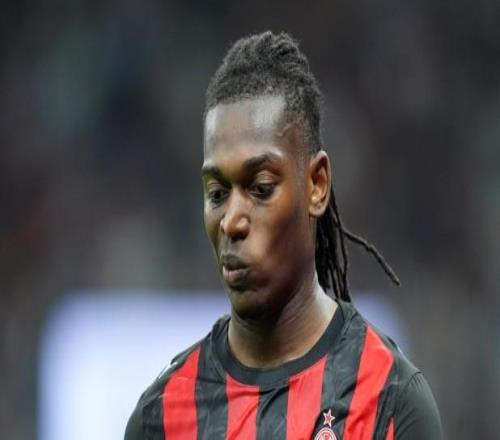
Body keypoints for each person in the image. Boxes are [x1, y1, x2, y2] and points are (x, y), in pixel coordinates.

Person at [125, 31, 442, 440]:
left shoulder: (391, 401)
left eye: (260, 188)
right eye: (217, 194)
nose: (232, 221)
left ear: (316, 185)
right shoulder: (161, 417)